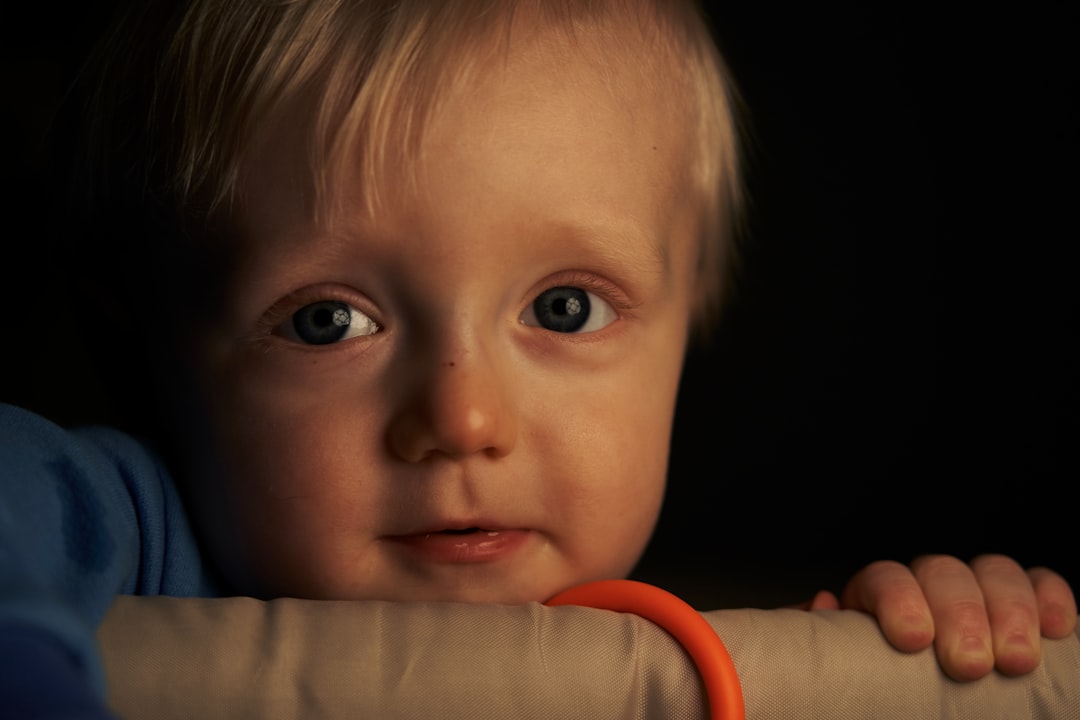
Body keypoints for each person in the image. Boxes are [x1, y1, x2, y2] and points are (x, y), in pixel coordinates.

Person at [1, 0, 1075, 717]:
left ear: (687, 320)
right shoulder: (128, 529)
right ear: (139, 347)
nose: (466, 420)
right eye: (329, 321)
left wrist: (940, 634)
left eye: (564, 307)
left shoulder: (672, 660)